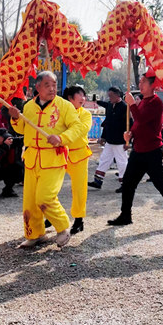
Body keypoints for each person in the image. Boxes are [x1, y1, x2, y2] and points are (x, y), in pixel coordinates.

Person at [8, 71, 84, 249]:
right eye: (47, 85)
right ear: (38, 87)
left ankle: (63, 226)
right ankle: (35, 233)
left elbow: (78, 127)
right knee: (30, 200)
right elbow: (21, 129)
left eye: (54, 85)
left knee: (45, 198)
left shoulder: (64, 106)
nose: (52, 89)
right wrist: (14, 117)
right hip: (32, 158)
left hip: (53, 158)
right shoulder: (28, 106)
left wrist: (62, 138)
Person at [107, 69, 163, 229]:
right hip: (139, 150)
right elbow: (139, 124)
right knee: (128, 183)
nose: (140, 84)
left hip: (151, 151)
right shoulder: (144, 102)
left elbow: (141, 119)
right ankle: (125, 215)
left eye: (143, 82)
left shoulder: (155, 102)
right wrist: (130, 134)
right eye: (140, 82)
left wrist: (131, 104)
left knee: (162, 184)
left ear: (153, 86)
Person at [63, 85, 93, 235]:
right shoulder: (61, 113)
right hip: (60, 154)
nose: (83, 98)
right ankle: (53, 216)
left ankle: (79, 219)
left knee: (79, 190)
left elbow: (82, 129)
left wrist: (63, 137)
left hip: (79, 155)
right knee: (51, 188)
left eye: (84, 95)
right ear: (70, 98)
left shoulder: (86, 114)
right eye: (79, 95)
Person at [88, 86, 129, 191]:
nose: (109, 98)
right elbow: (107, 122)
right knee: (104, 160)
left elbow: (129, 124)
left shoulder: (125, 107)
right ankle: (98, 181)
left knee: (122, 162)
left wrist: (128, 141)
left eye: (111, 96)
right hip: (110, 140)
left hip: (120, 140)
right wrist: (103, 137)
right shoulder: (110, 105)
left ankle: (125, 184)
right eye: (108, 96)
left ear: (117, 95)